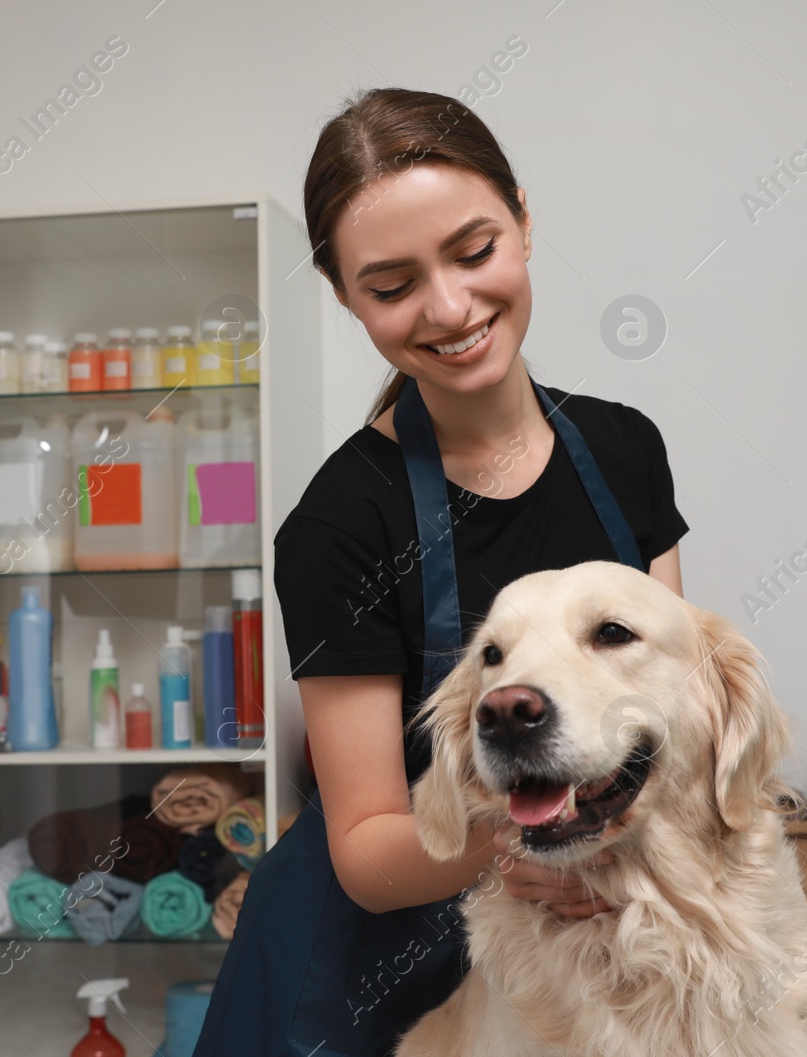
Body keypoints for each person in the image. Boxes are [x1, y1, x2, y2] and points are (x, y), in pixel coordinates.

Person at [191, 87, 690, 1057]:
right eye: (391, 286)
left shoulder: (624, 451)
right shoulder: (342, 522)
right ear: (344, 296)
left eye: (473, 251)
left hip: (578, 938)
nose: (450, 307)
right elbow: (373, 847)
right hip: (374, 964)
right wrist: (539, 833)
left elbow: (670, 709)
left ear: (522, 222)